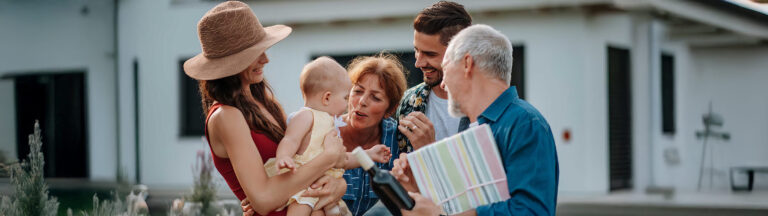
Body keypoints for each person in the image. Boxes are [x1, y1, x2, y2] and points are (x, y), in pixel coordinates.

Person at [184, 2, 348, 216]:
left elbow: (295, 170)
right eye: (255, 53)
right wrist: (328, 157)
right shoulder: (226, 116)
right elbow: (264, 200)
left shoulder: (262, 102)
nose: (266, 59)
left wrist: (338, 186)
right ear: (232, 62)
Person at [394, 24, 560, 215]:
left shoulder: (524, 123)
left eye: (446, 69)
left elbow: (532, 211)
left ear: (467, 64)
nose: (443, 83)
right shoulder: (472, 125)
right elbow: (465, 202)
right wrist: (417, 186)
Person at [242, 54, 409, 216]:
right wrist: (258, 199)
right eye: (357, 91)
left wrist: (344, 181)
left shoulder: (396, 140)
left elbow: (411, 199)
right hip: (306, 199)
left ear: (390, 110)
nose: (362, 101)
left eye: (375, 97)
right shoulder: (314, 126)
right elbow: (279, 167)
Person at [396, 1, 472, 153]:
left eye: (430, 54)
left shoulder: (488, 108)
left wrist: (429, 149)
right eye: (417, 50)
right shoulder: (408, 102)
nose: (418, 63)